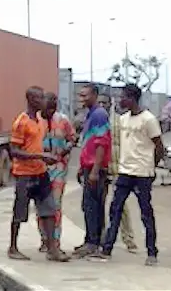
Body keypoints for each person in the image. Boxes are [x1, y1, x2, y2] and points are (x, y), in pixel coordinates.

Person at [93, 84, 166, 266]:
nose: (120, 100)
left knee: (145, 213)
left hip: (142, 173)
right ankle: (107, 249)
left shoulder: (148, 119)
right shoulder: (123, 119)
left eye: (123, 97)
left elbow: (159, 146)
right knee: (115, 209)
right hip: (125, 171)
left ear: (132, 98)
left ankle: (152, 252)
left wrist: (151, 166)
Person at [7, 86, 69, 262]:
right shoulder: (21, 122)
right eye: (41, 98)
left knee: (48, 210)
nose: (44, 101)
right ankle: (13, 247)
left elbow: (36, 145)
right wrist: (40, 156)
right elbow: (14, 151)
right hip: (24, 174)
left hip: (40, 172)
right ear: (32, 100)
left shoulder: (40, 121)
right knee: (20, 212)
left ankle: (52, 249)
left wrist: (46, 156)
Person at [73, 84, 112, 258]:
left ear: (94, 95)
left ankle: (93, 243)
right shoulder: (90, 115)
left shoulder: (99, 115)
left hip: (96, 169)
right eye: (80, 95)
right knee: (89, 205)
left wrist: (95, 170)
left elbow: (101, 144)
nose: (81, 99)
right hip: (89, 167)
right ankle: (91, 239)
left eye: (85, 95)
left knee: (92, 206)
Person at [98, 93, 138, 253]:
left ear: (111, 104)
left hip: (117, 168)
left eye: (105, 102)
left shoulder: (119, 121)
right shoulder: (96, 120)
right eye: (99, 102)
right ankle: (100, 238)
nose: (102, 106)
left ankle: (129, 239)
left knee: (121, 206)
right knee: (98, 204)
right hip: (100, 168)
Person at [37, 92, 76, 253]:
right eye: (48, 107)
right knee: (41, 206)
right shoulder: (35, 122)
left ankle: (55, 240)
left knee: (55, 205)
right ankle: (45, 239)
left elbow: (72, 139)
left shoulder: (63, 121)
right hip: (39, 169)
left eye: (54, 107)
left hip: (59, 168)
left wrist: (66, 149)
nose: (51, 110)